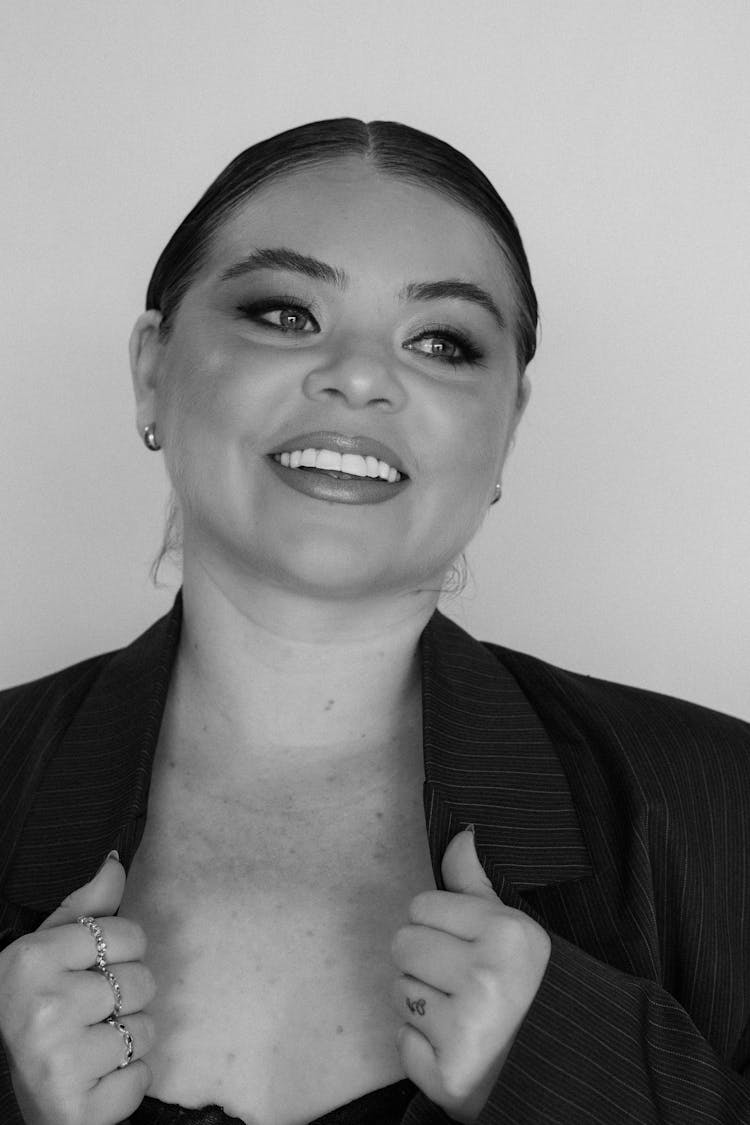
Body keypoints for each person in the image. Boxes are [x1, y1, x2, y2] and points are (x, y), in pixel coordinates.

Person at [0, 118, 748, 1125]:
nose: (359, 376)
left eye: (442, 341)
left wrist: (570, 1071)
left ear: (507, 424)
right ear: (152, 369)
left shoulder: (722, 813)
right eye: (283, 312)